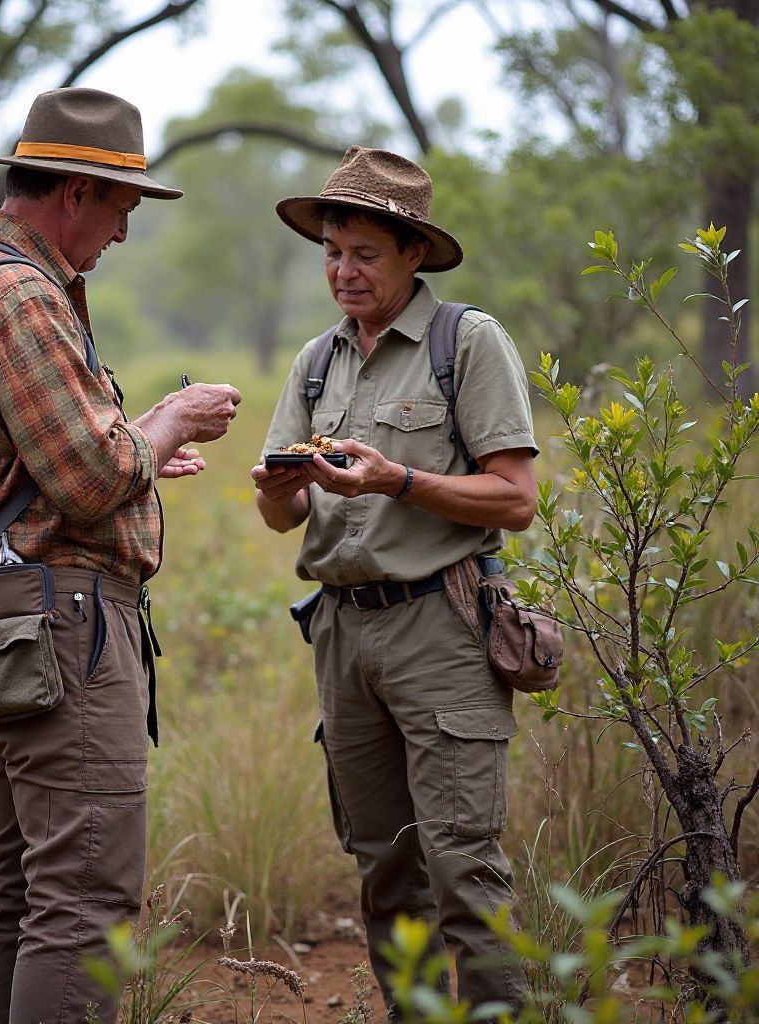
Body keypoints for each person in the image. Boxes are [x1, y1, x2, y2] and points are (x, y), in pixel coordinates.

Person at [0, 88, 241, 1024]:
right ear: (74, 194)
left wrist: (134, 443)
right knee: (83, 900)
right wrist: (167, 420)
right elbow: (91, 477)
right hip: (65, 629)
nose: (122, 236)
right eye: (121, 211)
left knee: (18, 886)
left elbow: (52, 461)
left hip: (10, 622)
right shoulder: (20, 294)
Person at [251, 146, 537, 1014]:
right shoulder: (315, 362)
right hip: (341, 634)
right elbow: (281, 521)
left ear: (414, 252)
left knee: (463, 867)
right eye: (332, 251)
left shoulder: (468, 343)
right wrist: (277, 490)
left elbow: (516, 500)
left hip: (440, 629)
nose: (344, 271)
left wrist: (397, 480)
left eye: (364, 253)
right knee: (383, 866)